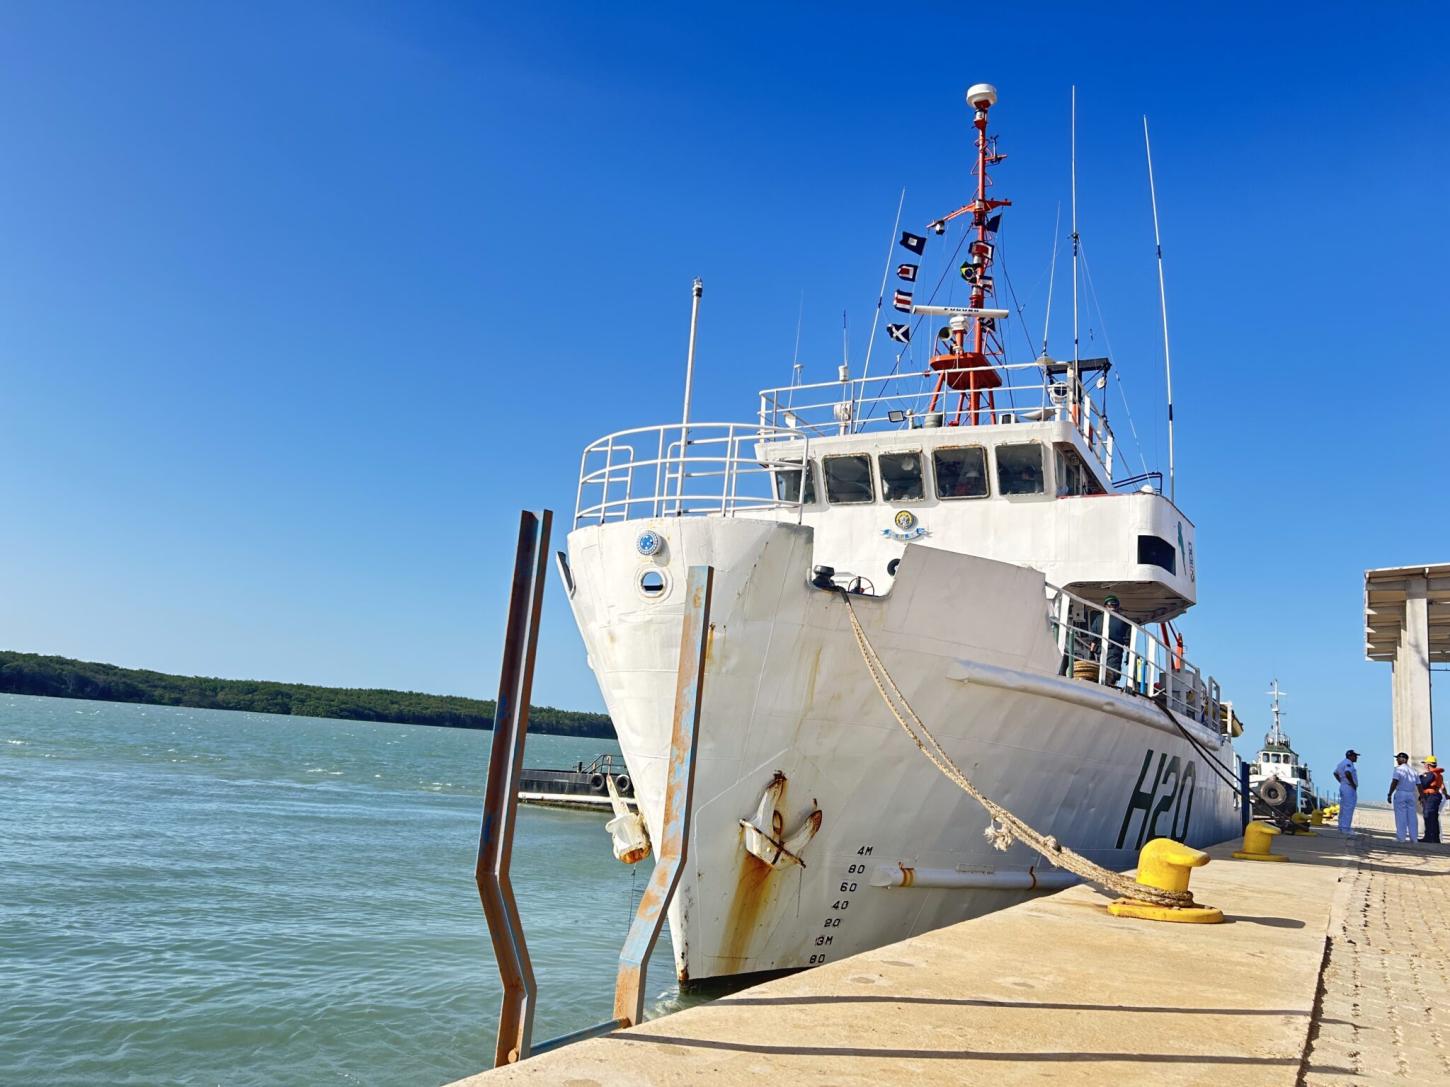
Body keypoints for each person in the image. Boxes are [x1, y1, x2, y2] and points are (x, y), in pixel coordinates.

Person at [1388, 752, 1420, 844]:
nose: (1397, 760)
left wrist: (1390, 793)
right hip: (1411, 794)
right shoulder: (1414, 771)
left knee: (1401, 816)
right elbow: (1419, 785)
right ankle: (1414, 838)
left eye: (1398, 758)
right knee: (1412, 817)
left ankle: (1401, 838)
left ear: (1403, 759)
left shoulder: (1398, 769)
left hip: (1401, 793)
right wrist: (1422, 796)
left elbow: (1394, 782)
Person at [1333, 749, 1359, 834]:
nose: (1356, 758)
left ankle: (1341, 827)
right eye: (1355, 756)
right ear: (1350, 756)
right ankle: (1346, 829)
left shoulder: (1341, 763)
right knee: (1348, 808)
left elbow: (1335, 773)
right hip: (1348, 787)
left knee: (1343, 808)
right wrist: (1352, 784)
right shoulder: (1348, 763)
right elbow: (1347, 773)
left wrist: (1341, 781)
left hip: (1343, 786)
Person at [1419, 756, 1443, 844]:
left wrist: (1421, 777)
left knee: (1428, 816)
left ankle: (1429, 837)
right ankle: (1435, 838)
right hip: (1435, 796)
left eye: (1425, 764)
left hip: (1430, 797)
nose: (1424, 765)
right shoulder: (1438, 774)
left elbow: (1423, 783)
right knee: (1434, 817)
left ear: (1429, 765)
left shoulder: (1430, 774)